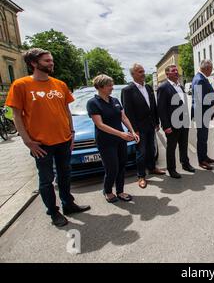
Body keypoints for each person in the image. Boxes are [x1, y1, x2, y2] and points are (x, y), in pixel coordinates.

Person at [5, 48, 90, 228]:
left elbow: (66, 110)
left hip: (64, 140)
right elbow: (17, 116)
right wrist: (27, 141)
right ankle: (53, 212)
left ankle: (68, 204)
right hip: (41, 144)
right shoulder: (21, 85)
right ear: (34, 64)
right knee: (46, 180)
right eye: (46, 61)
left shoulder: (60, 84)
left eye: (51, 60)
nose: (51, 63)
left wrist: (72, 133)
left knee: (65, 175)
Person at [87, 75, 139, 203]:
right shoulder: (93, 103)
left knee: (122, 166)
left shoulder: (114, 100)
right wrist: (121, 134)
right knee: (112, 168)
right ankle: (108, 190)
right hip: (106, 141)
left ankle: (120, 191)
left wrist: (132, 131)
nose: (112, 87)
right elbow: (100, 125)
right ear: (100, 87)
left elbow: (124, 117)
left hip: (120, 140)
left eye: (112, 84)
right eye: (109, 85)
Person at [121, 64, 165, 189]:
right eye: (140, 72)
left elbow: (153, 106)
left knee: (151, 149)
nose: (143, 73)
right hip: (139, 128)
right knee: (141, 152)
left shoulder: (148, 87)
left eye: (143, 71)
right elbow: (128, 112)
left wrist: (157, 122)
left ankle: (152, 168)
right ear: (133, 74)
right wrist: (134, 130)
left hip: (150, 125)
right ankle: (141, 176)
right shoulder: (128, 90)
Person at [157, 65, 196, 179]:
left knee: (183, 145)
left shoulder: (180, 86)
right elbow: (161, 108)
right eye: (173, 71)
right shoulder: (163, 87)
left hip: (183, 121)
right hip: (172, 123)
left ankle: (185, 164)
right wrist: (166, 126)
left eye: (176, 70)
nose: (176, 72)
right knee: (171, 147)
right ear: (167, 74)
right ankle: (172, 169)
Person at [191, 60, 214, 170]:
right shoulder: (199, 80)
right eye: (211, 69)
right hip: (201, 113)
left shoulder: (201, 78)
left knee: (204, 138)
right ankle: (201, 161)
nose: (211, 71)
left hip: (203, 113)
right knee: (202, 138)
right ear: (206, 68)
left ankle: (204, 157)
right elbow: (199, 100)